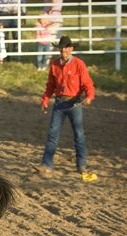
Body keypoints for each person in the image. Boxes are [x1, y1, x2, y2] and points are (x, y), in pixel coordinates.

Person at [38, 36, 98, 182]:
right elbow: (50, 85)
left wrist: (89, 96)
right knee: (53, 134)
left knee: (79, 135)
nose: (63, 50)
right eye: (61, 47)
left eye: (66, 47)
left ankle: (81, 165)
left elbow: (87, 83)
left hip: (74, 103)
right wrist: (45, 99)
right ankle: (46, 164)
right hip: (60, 103)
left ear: (71, 49)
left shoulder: (78, 64)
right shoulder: (54, 65)